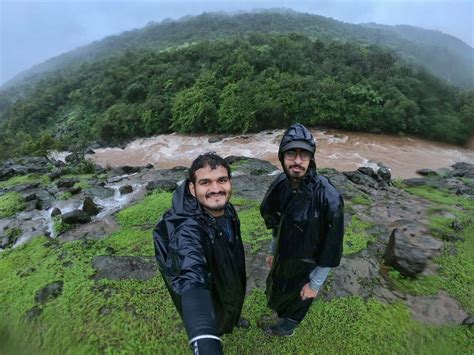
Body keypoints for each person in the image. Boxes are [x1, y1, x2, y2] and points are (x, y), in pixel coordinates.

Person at [153, 152, 247, 354]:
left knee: (231, 297)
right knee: (216, 314)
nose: (216, 189)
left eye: (222, 180)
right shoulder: (187, 230)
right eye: (206, 183)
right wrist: (205, 339)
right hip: (208, 289)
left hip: (227, 272)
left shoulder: (227, 209)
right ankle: (220, 328)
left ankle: (233, 318)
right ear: (192, 189)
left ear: (230, 182)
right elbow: (191, 273)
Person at [260, 123, 344, 336]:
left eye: (303, 154)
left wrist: (315, 284)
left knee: (301, 298)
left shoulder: (329, 197)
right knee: (278, 287)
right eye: (291, 153)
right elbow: (276, 221)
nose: (297, 161)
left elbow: (331, 247)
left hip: (309, 264)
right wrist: (272, 250)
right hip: (283, 254)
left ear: (311, 158)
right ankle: (280, 311)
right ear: (281, 156)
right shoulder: (280, 184)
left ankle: (287, 328)